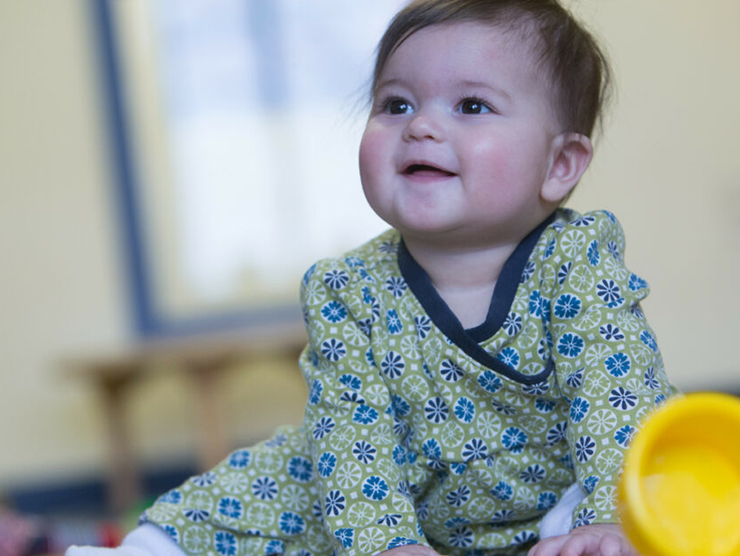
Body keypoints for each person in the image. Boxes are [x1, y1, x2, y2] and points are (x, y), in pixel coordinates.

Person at [68, 0, 678, 555]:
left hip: (551, 482)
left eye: (471, 106)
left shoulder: (575, 259)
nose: (421, 126)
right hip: (393, 494)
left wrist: (609, 517)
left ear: (559, 164)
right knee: (274, 482)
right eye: (396, 104)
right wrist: (388, 544)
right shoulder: (347, 290)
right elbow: (351, 437)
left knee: (651, 481)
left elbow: (616, 399)